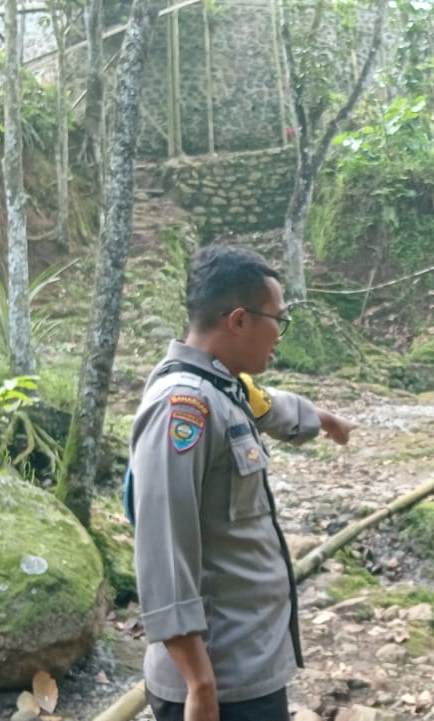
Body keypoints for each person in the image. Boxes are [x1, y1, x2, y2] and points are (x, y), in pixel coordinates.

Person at [128, 244, 355, 721]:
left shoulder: (220, 383)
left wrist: (322, 418)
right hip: (219, 684)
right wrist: (199, 683)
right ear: (238, 320)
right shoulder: (182, 407)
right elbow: (162, 550)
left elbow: (265, 405)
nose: (280, 335)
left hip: (246, 667)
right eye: (278, 320)